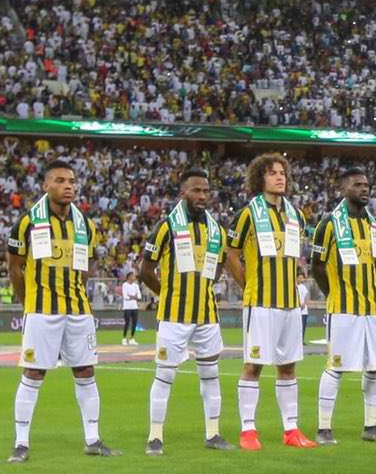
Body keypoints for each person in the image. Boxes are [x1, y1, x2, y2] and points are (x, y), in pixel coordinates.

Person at [6, 159, 111, 462]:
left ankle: (93, 439)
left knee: (86, 371)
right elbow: (15, 267)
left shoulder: (86, 226)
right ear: (46, 185)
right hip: (41, 310)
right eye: (61, 180)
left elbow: (88, 266)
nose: (69, 186)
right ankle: (21, 443)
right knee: (34, 373)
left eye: (72, 181)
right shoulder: (27, 222)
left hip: (79, 310)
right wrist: (29, 302)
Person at [223, 153, 314, 451]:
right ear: (260, 178)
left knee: (288, 367)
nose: (280, 177)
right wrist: (247, 283)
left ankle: (291, 430)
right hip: (260, 303)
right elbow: (231, 252)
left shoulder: (295, 214)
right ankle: (248, 431)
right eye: (273, 173)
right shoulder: (248, 213)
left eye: (283, 173)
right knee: (254, 365)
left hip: (289, 304)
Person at [139, 167, 230, 455]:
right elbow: (145, 270)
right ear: (183, 192)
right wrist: (167, 294)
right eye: (196, 190)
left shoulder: (216, 229)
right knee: (165, 376)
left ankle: (213, 433)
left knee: (211, 375)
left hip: (207, 315)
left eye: (205, 190)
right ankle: (155, 436)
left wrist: (204, 288)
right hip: (174, 316)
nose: (202, 195)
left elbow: (219, 265)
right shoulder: (167, 226)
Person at [309, 168, 376, 444]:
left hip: (374, 309)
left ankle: (371, 427)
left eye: (367, 184)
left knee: (375, 368)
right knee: (336, 366)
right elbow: (316, 266)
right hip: (343, 308)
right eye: (358, 184)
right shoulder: (329, 223)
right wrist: (334, 292)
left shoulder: (374, 223)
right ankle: (323, 429)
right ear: (344, 189)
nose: (364, 188)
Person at [119, 271, 142, 346]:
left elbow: (139, 296)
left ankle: (132, 338)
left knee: (134, 323)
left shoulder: (136, 286)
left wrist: (132, 296)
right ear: (129, 277)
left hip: (134, 307)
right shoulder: (125, 285)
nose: (134, 277)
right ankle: (124, 338)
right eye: (133, 276)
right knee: (127, 323)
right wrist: (134, 297)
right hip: (127, 307)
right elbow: (125, 296)